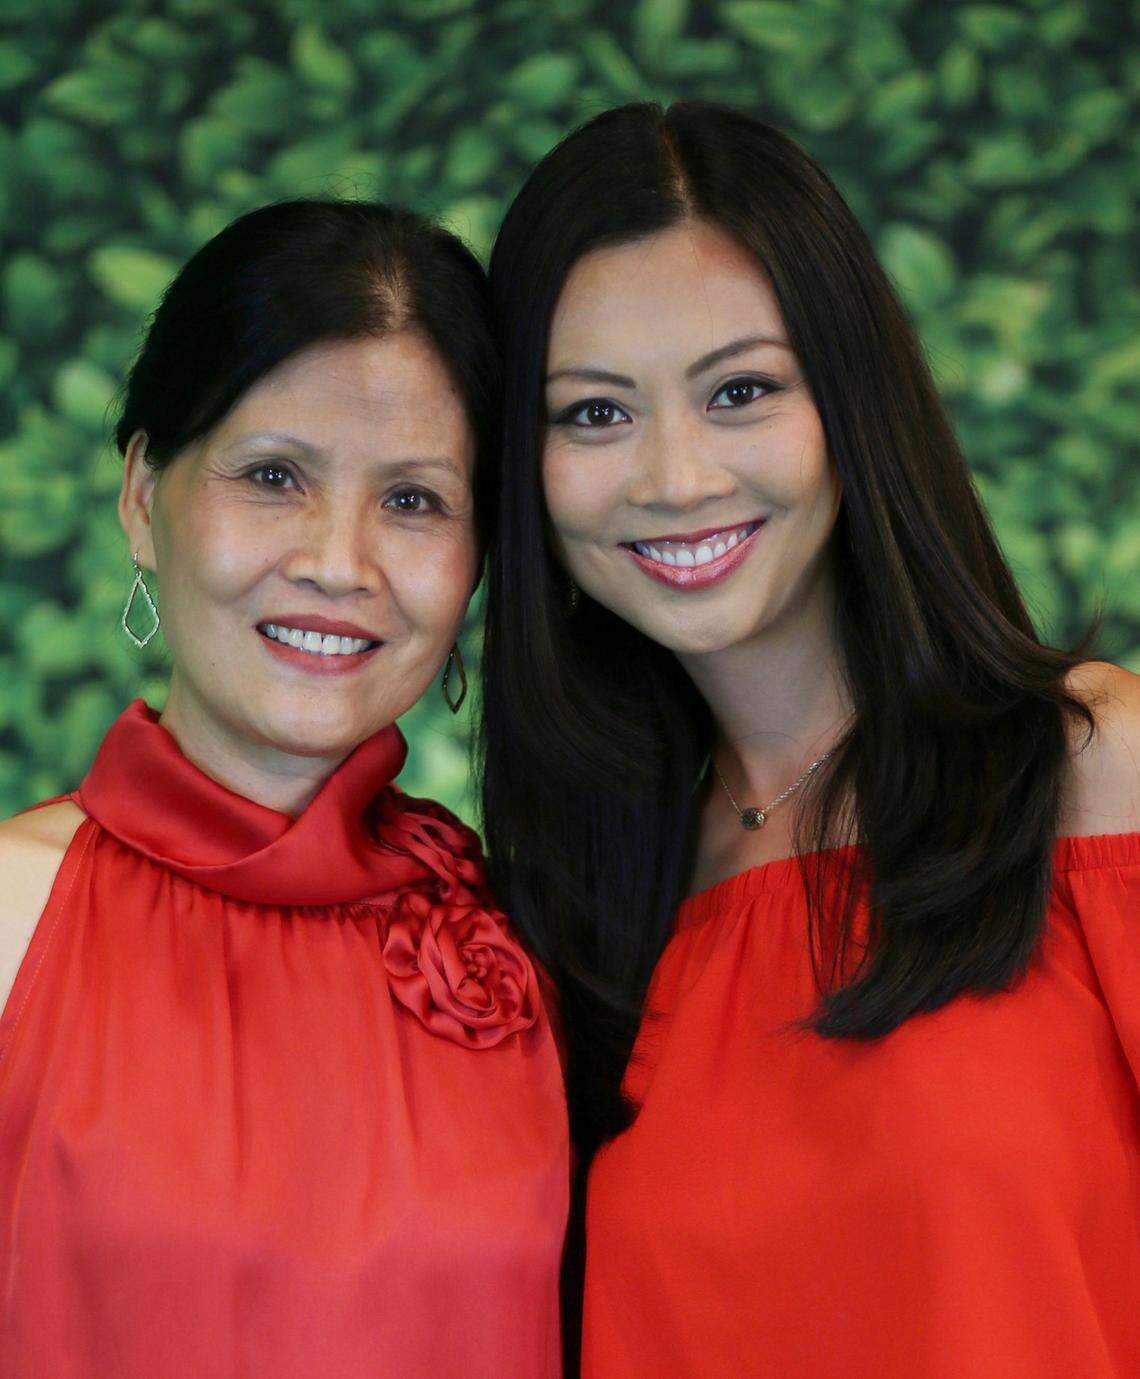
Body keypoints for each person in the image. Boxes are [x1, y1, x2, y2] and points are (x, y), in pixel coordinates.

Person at [480, 102, 1140, 1377]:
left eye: (741, 390)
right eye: (593, 414)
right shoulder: (568, 908)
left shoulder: (1091, 772)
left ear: (852, 398)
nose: (676, 476)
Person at [0, 200, 567, 1379]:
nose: (336, 562)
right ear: (144, 493)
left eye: (413, 499)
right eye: (273, 475)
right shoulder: (11, 914)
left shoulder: (545, 937)